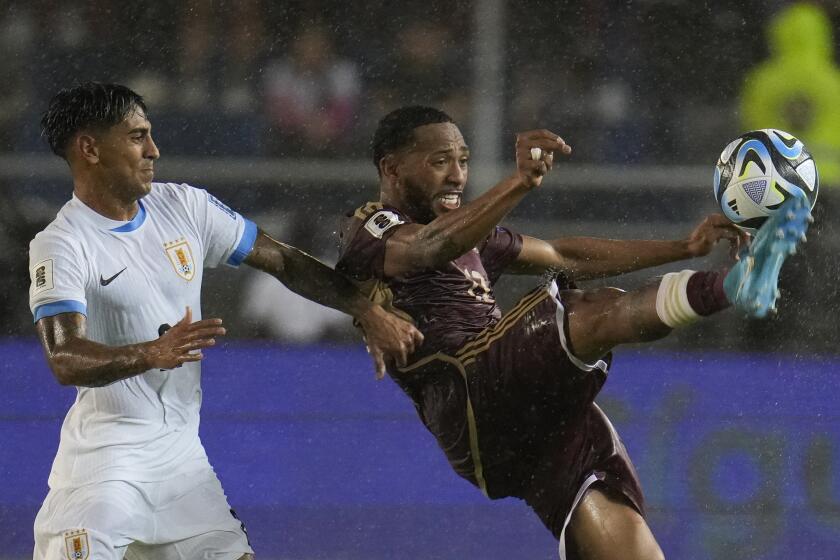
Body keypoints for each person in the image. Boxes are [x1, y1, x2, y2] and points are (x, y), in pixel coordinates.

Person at [335, 106, 812, 559]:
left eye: (462, 160)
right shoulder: (372, 228)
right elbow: (428, 249)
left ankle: (730, 284)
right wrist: (519, 181)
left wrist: (684, 247)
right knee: (591, 310)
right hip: (470, 390)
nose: (457, 175)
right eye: (439, 162)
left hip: (525, 420)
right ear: (392, 169)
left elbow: (566, 257)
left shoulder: (469, 232)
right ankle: (732, 287)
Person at [28, 83, 423, 560]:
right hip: (105, 468)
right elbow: (65, 358)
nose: (154, 150)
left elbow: (282, 259)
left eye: (150, 135)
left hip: (181, 465)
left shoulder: (185, 207)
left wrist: (366, 310)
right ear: (89, 148)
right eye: (137, 137)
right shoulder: (63, 244)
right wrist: (150, 353)